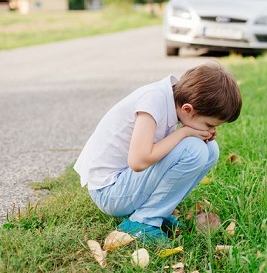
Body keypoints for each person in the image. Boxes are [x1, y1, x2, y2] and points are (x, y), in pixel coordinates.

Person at [74, 62, 242, 245]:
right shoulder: (154, 101)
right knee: (194, 149)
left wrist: (198, 133)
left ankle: (158, 210)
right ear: (187, 110)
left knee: (210, 149)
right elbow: (138, 161)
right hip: (109, 192)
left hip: (126, 184)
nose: (212, 130)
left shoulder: (173, 98)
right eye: (209, 124)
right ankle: (143, 221)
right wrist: (184, 132)